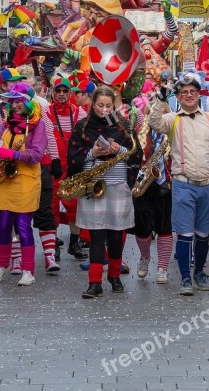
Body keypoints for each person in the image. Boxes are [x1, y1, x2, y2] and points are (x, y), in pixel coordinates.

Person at [67, 86, 141, 298]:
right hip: (93, 187)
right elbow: (72, 156)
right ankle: (95, 282)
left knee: (116, 236)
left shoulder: (124, 126)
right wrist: (93, 152)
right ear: (92, 103)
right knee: (97, 236)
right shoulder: (82, 127)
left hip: (118, 186)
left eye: (109, 106)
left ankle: (115, 276)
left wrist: (121, 150)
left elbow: (136, 155)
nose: (105, 110)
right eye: (100, 105)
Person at [148, 72, 209, 296]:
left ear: (199, 94)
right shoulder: (173, 119)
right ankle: (186, 276)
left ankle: (200, 272)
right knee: (185, 233)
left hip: (207, 183)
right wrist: (160, 98)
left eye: (192, 92)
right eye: (184, 92)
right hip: (183, 183)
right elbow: (154, 122)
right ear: (178, 96)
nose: (189, 95)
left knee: (203, 233)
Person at [0, 84, 48, 287]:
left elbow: (37, 154)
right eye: (12, 101)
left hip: (26, 181)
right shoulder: (6, 123)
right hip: (7, 179)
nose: (15, 105)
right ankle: (2, 265)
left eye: (19, 100)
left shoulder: (38, 124)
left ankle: (28, 270)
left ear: (28, 102)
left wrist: (12, 154)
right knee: (4, 226)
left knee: (23, 227)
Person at [46, 77, 89, 260]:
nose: (62, 94)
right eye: (58, 91)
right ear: (53, 93)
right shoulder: (45, 112)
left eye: (65, 91)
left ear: (70, 93)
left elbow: (87, 138)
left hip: (73, 168)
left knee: (74, 207)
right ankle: (52, 243)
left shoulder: (80, 113)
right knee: (51, 207)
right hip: (53, 168)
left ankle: (74, 243)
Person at [131, 105, 173, 284]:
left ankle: (162, 268)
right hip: (143, 184)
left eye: (163, 114)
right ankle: (145, 257)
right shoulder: (139, 134)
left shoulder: (172, 134)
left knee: (165, 228)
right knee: (142, 229)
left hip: (165, 183)